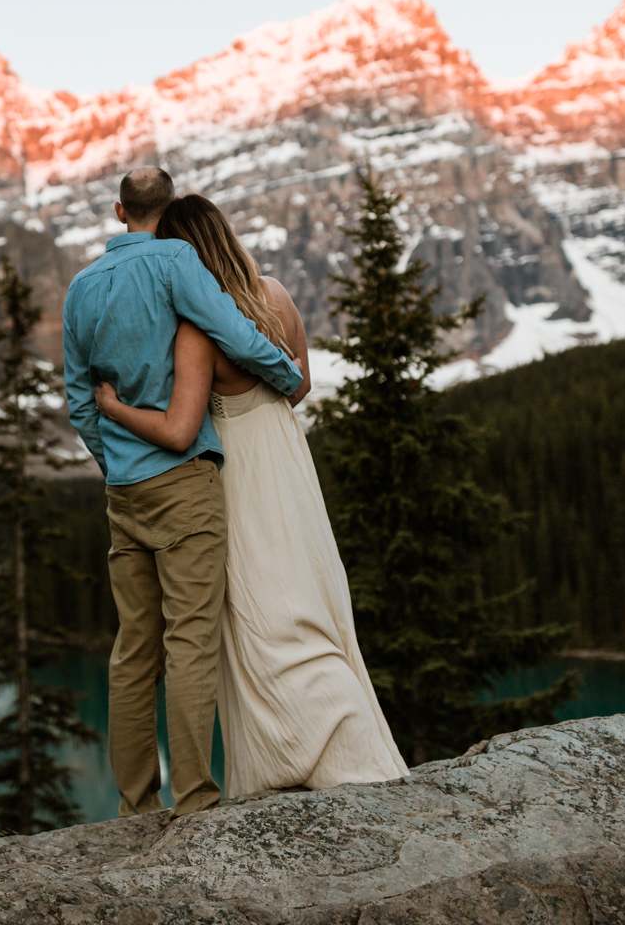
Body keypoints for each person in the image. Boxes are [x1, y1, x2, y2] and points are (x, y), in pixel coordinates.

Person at [92, 193, 408, 799]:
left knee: (255, 605)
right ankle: (345, 736)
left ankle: (285, 755)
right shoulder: (276, 293)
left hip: (234, 465)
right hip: (287, 456)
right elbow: (301, 384)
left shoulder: (197, 326)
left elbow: (181, 426)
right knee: (303, 588)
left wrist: (113, 407)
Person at [62, 168, 302, 816]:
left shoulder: (81, 287)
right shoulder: (177, 260)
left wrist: (114, 464)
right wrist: (284, 376)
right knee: (190, 639)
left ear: (118, 210)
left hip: (125, 491)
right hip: (185, 483)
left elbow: (80, 401)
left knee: (133, 647)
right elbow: (232, 331)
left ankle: (137, 806)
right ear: (165, 209)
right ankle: (195, 799)